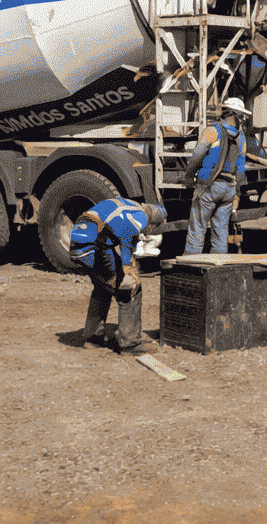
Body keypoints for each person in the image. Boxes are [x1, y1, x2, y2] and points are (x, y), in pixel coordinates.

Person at [72, 197, 167, 353]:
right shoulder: (139, 217)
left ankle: (93, 338)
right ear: (152, 221)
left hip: (78, 245)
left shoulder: (127, 204)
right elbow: (125, 245)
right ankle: (131, 343)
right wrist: (127, 271)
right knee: (130, 289)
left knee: (103, 287)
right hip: (95, 246)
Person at [183, 97, 250, 255]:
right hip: (229, 189)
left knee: (198, 227)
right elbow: (240, 169)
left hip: (210, 186)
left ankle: (190, 266)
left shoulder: (213, 131)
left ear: (225, 112)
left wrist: (188, 176)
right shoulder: (241, 138)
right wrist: (237, 192)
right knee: (220, 231)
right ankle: (217, 268)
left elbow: (197, 156)